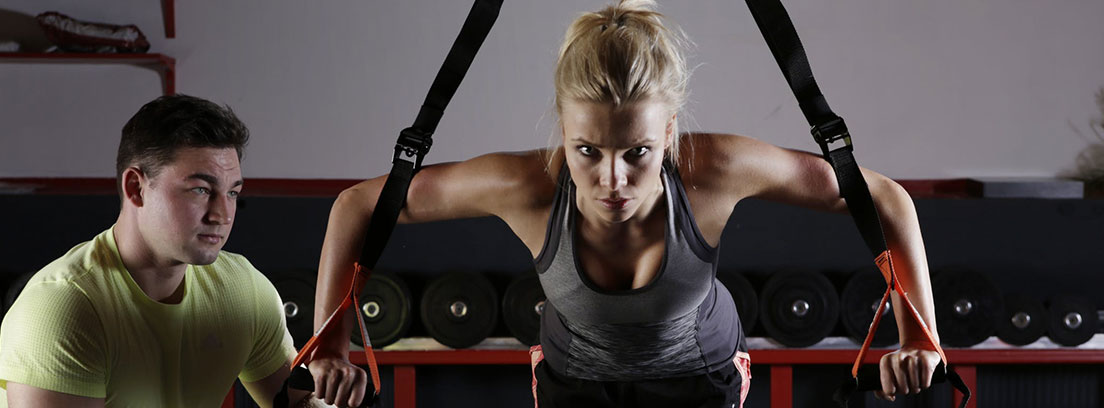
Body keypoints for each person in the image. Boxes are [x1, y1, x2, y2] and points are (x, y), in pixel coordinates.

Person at [307, 1, 942, 407]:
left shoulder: (711, 170)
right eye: (587, 150)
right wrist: (328, 344)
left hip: (703, 384)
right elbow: (359, 204)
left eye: (637, 153)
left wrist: (922, 336)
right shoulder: (526, 187)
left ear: (669, 134)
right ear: (562, 128)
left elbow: (880, 197)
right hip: (573, 387)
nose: (612, 178)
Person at [0, 94, 313, 407]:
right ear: (136, 188)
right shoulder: (63, 306)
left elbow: (298, 402)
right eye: (201, 190)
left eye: (232, 192)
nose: (222, 215)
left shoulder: (243, 289)